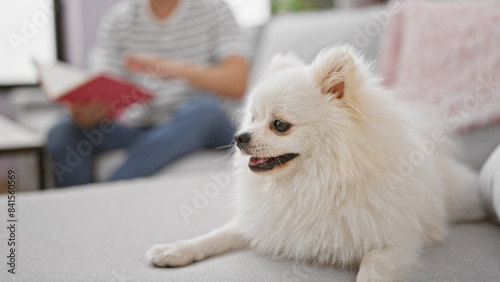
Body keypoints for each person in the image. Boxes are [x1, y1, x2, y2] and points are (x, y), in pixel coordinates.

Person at [46, 0, 250, 187]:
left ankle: (106, 195)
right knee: (63, 131)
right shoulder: (118, 18)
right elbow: (104, 86)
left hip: (202, 122)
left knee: (204, 109)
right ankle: (76, 210)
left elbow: (236, 83)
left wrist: (168, 67)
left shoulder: (215, 9)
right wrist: (87, 110)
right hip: (144, 125)